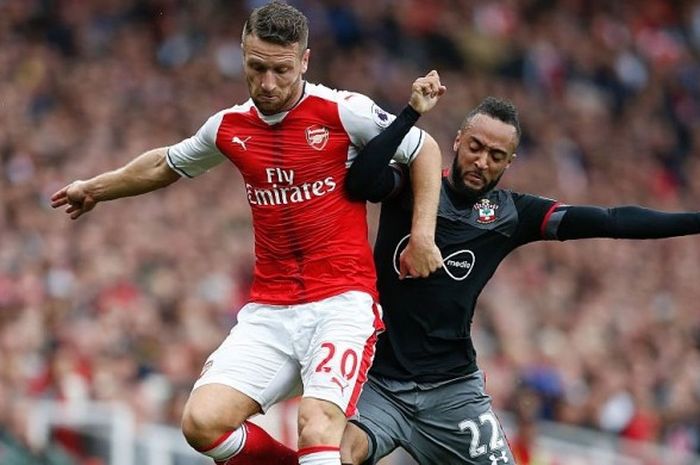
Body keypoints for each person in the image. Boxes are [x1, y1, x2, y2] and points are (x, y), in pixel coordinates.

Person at [50, 2, 446, 465]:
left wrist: (423, 236)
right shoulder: (230, 127)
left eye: (281, 70)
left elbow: (425, 150)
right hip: (270, 310)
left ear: (304, 61)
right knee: (202, 424)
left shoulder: (343, 110)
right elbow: (165, 164)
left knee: (316, 425)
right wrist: (94, 188)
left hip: (341, 303)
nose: (269, 84)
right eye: (257, 68)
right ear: (242, 55)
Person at [339, 89, 700, 465]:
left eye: (495, 156)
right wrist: (411, 114)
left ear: (508, 162)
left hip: (452, 392)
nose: (481, 161)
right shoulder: (415, 183)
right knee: (335, 455)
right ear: (458, 140)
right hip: (378, 381)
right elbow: (359, 182)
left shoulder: (510, 214)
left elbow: (610, 220)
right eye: (475, 147)